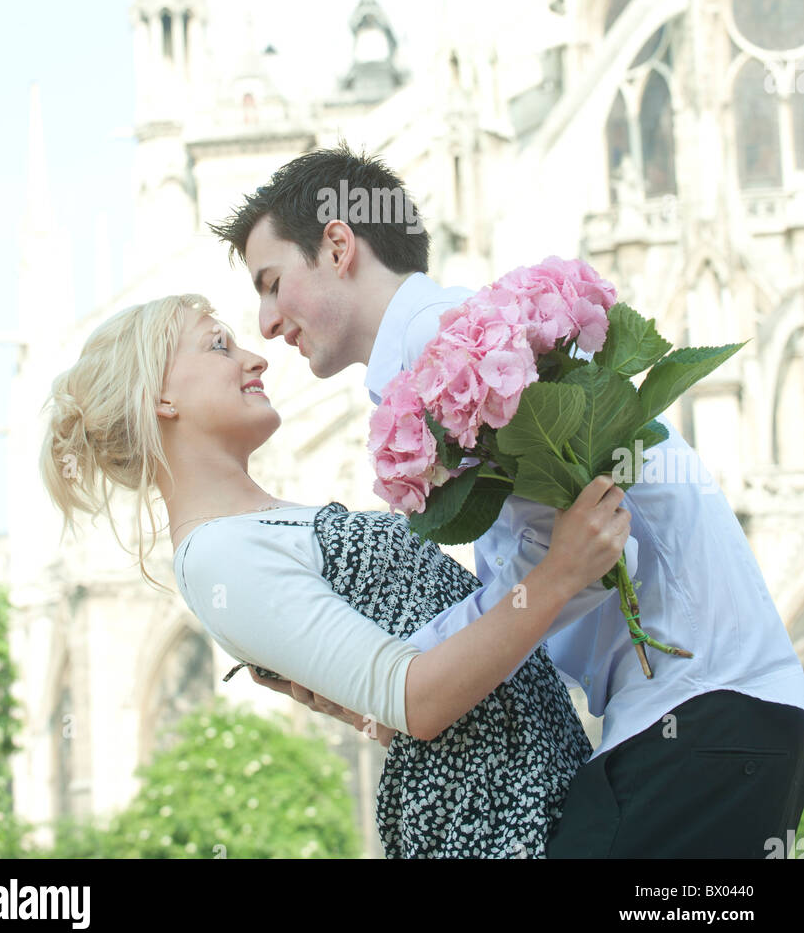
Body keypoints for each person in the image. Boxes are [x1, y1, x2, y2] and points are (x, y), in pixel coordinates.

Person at [214, 143, 804, 860]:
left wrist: (384, 674)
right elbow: (547, 571)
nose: (268, 322)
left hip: (697, 716)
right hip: (718, 720)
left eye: (272, 283)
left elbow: (579, 561)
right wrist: (378, 688)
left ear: (338, 244)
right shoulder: (455, 340)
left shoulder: (450, 353)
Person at [39, 292, 630, 859]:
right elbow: (416, 700)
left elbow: (400, 703)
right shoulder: (219, 554)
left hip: (527, 796)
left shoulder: (254, 527)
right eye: (218, 346)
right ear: (161, 399)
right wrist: (558, 574)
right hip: (496, 824)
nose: (256, 357)